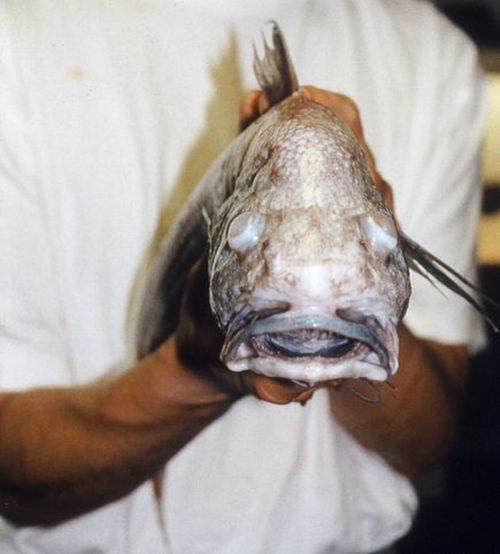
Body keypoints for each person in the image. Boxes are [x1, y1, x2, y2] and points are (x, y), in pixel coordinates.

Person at [0, 0, 486, 552]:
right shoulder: (14, 34)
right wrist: (198, 368)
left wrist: (351, 290)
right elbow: (12, 468)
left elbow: (426, 441)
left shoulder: (433, 53)